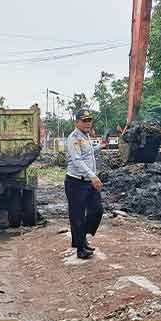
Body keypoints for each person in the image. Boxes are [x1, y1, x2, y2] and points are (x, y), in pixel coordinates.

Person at [64, 109, 103, 260]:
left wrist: (100, 147)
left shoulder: (85, 136)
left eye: (89, 120)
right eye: (84, 120)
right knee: (77, 216)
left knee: (97, 211)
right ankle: (80, 248)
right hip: (76, 183)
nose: (87, 123)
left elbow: (87, 152)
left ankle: (83, 236)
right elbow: (77, 160)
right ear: (77, 122)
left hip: (88, 181)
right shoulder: (73, 138)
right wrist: (93, 176)